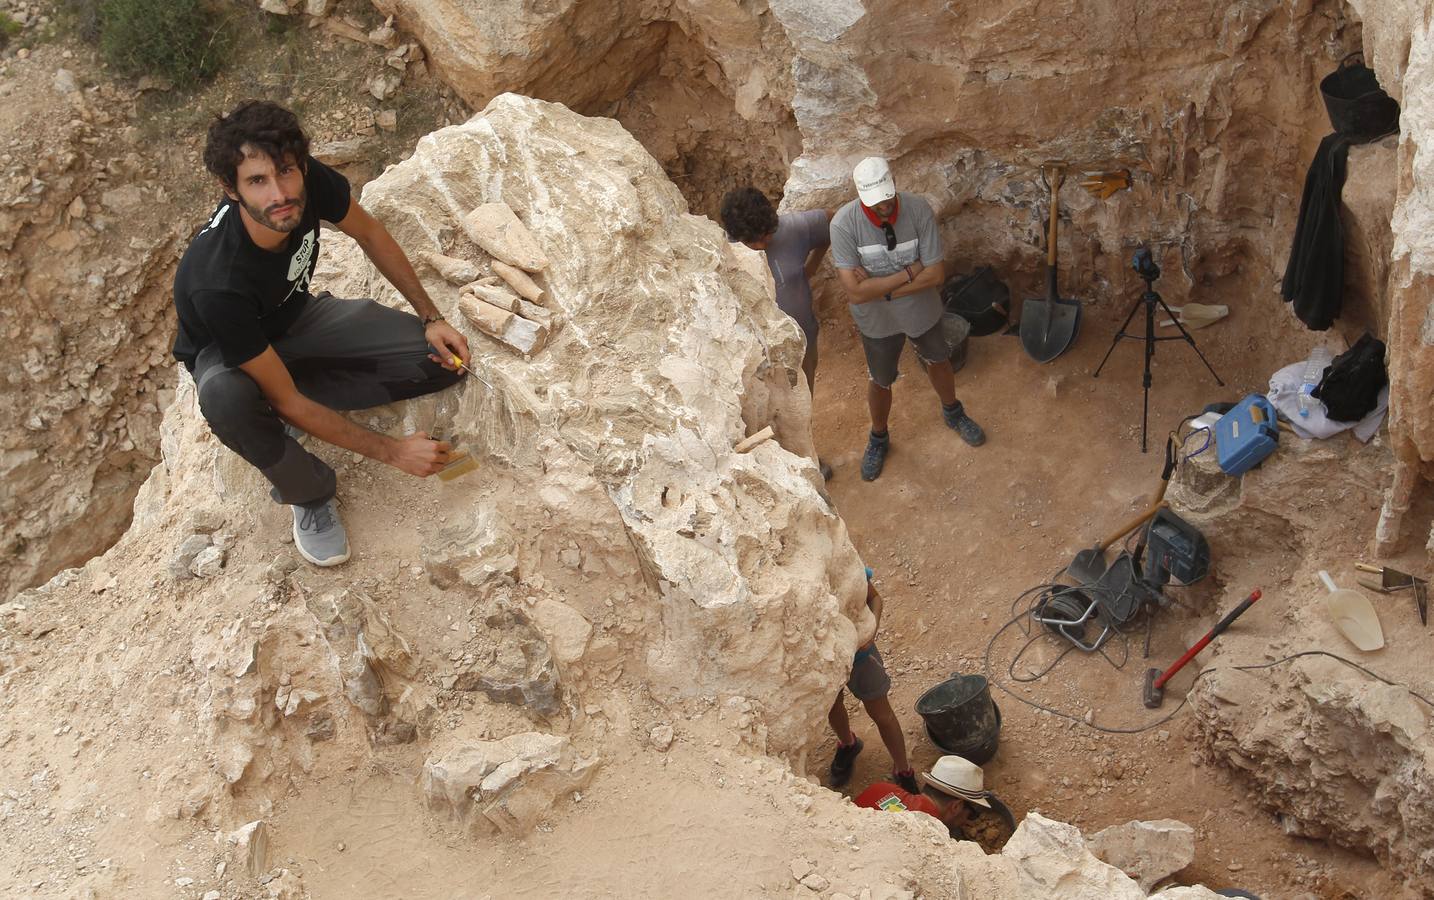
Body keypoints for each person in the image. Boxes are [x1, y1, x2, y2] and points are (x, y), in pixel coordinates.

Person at [171, 100, 471, 567]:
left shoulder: (306, 182)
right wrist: (394, 453)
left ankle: (284, 393)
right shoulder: (216, 283)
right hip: (229, 353)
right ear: (230, 189)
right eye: (257, 181)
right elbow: (289, 402)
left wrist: (432, 318)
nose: (279, 193)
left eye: (286, 171)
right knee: (230, 401)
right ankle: (309, 493)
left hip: (295, 317)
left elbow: (369, 233)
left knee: (435, 364)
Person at [829, 157, 986, 481]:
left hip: (921, 311)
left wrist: (878, 287)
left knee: (938, 360)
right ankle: (879, 436)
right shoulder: (844, 224)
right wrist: (910, 271)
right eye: (876, 202)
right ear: (859, 195)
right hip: (877, 322)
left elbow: (936, 275)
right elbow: (854, 293)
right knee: (880, 378)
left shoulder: (918, 210)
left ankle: (953, 412)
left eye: (887, 197)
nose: (884, 206)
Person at [720, 187, 834, 479]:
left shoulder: (793, 228)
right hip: (758, 356)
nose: (763, 244)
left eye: (767, 236)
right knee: (765, 412)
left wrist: (810, 268)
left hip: (802, 338)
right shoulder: (725, 254)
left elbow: (833, 223)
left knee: (800, 405)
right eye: (754, 241)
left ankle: (807, 460)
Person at [828, 568, 918, 793]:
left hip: (861, 655)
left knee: (882, 714)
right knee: (833, 707)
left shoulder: (842, 565)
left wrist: (871, 629)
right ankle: (848, 744)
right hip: (826, 662)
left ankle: (903, 768)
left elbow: (875, 598)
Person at [854, 755, 994, 839]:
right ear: (956, 806)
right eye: (971, 814)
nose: (968, 822)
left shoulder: (881, 788)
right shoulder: (927, 838)